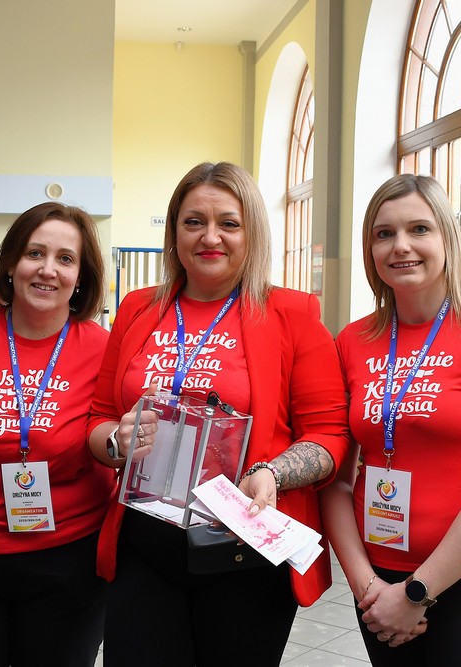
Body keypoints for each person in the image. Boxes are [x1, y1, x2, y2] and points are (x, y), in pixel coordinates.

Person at [87, 161, 348, 666]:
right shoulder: (139, 309)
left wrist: (273, 472)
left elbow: (329, 434)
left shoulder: (292, 314)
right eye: (194, 222)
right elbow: (99, 419)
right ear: (174, 232)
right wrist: (118, 442)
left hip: (244, 547)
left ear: (252, 232)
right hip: (146, 543)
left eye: (229, 223)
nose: (210, 237)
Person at [320, 174, 461, 666]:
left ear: (447, 237)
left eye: (419, 229)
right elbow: (336, 480)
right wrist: (368, 588)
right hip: (380, 582)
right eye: (384, 233)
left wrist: (417, 592)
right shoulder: (351, 342)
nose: (400, 246)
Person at [0, 202, 114, 666]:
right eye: (34, 253)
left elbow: (113, 432)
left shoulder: (105, 349)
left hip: (72, 561)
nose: (48, 270)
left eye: (65, 259)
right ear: (10, 265)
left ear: (81, 276)